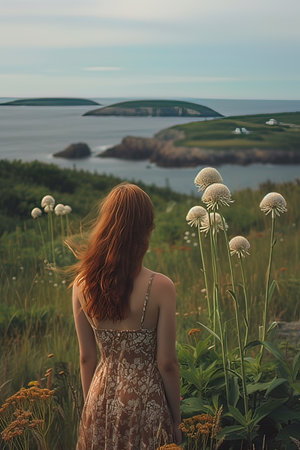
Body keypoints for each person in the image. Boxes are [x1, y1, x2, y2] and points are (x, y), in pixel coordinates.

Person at [71, 183, 182, 449]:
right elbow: (167, 363)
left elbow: (87, 358)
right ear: (146, 229)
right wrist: (177, 423)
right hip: (146, 404)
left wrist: (92, 410)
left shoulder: (81, 284)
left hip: (100, 398)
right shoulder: (161, 287)